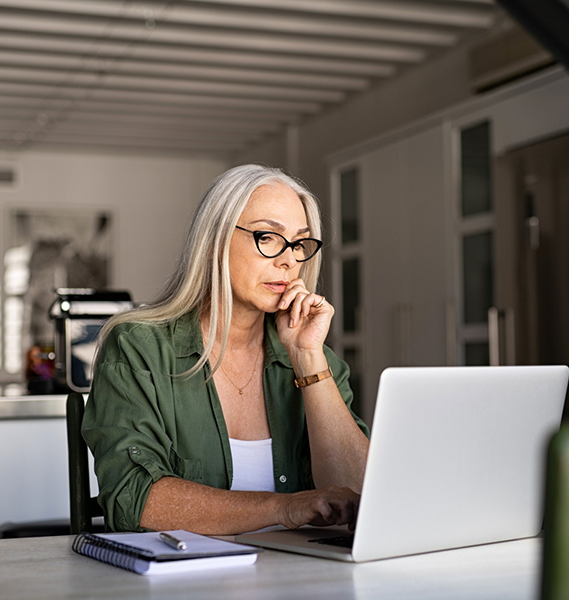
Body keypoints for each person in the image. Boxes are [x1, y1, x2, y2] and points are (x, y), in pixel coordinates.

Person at [82, 164, 370, 536]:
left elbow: (362, 498)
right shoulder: (139, 348)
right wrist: (284, 507)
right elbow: (134, 500)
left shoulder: (316, 360)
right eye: (268, 237)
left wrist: (307, 359)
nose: (289, 260)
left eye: (299, 243)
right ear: (216, 239)